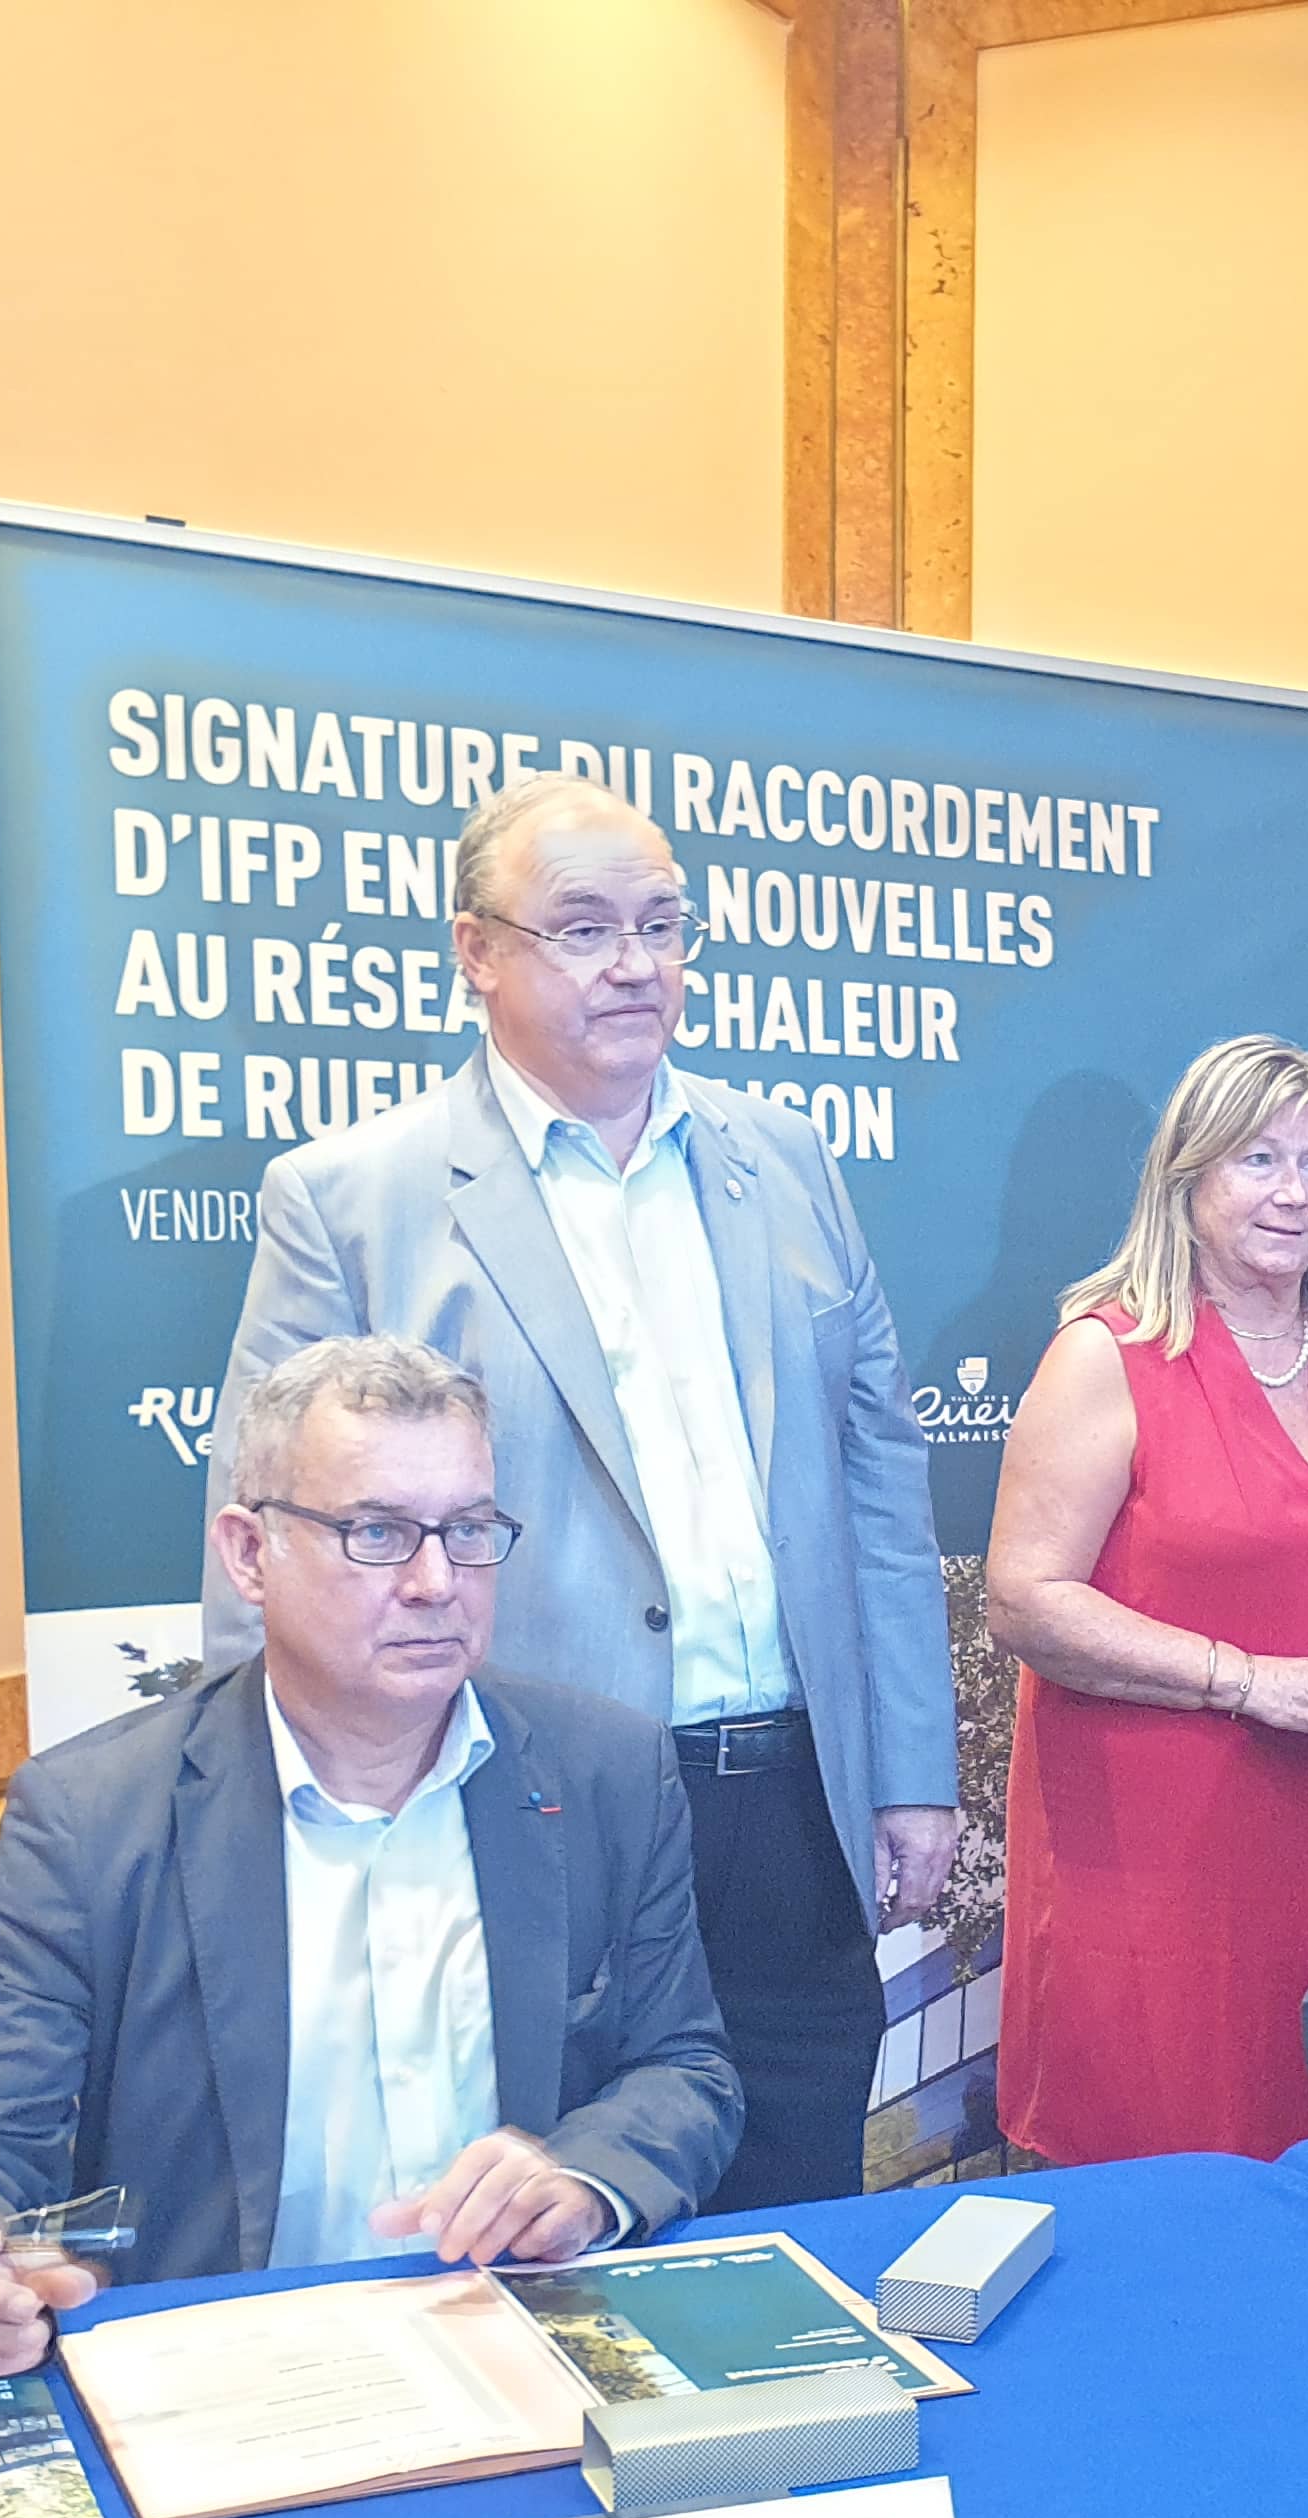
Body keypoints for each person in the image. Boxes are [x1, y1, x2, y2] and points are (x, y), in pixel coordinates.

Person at [201, 776, 958, 2212]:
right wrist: (261, 1822)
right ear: (476, 952)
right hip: (530, 1796)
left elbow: (877, 1474)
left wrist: (912, 1764)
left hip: (795, 1796)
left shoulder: (783, 1160)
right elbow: (275, 1527)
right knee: (558, 2204)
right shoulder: (354, 1198)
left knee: (800, 2197)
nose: (637, 965)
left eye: (664, 926)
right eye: (587, 929)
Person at [0, 1338, 740, 2384]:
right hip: (229, 2384)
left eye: (469, 1530)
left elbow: (686, 2069)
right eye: (377, 1533)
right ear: (249, 1553)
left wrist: (585, 2179)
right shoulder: (93, 1820)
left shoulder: (606, 1775)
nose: (436, 1581)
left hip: (522, 2358)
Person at [984, 1038, 1308, 2162]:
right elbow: (1026, 1601)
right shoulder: (1106, 1355)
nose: (1293, 1192)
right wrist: (1245, 1682)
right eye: (1258, 1159)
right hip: (1157, 1862)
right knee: (1169, 2167)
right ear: (1186, 1181)